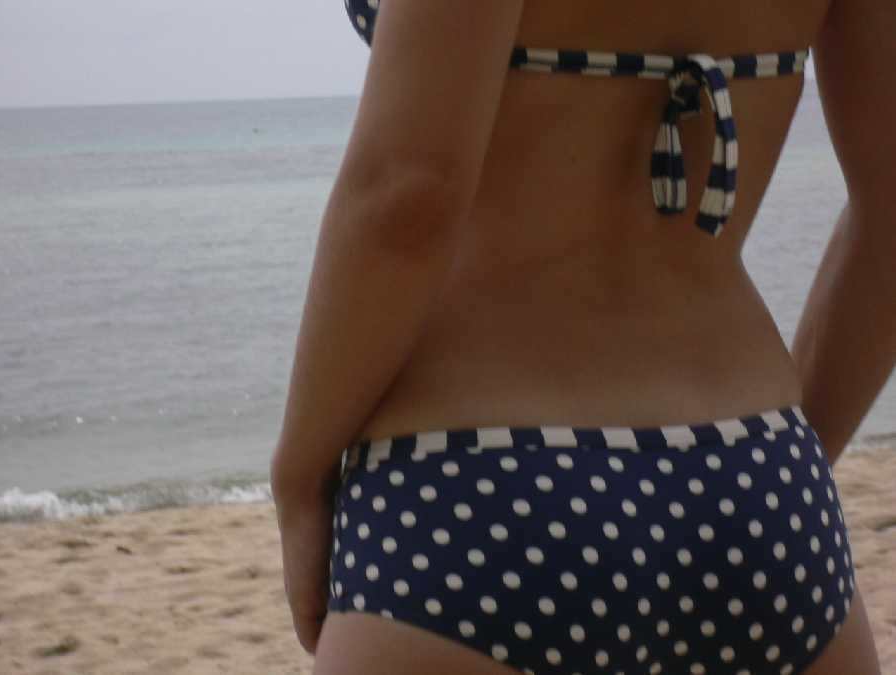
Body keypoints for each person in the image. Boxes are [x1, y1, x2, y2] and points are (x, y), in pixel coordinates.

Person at [270, 0, 893, 673]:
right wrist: (775, 480)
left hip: (479, 491)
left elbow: (406, 191)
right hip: (757, 479)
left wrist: (299, 477)